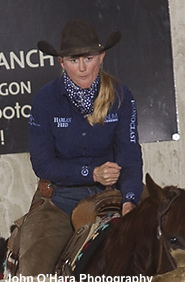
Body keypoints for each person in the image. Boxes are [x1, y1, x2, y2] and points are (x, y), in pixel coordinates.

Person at [29, 19, 143, 216]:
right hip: (62, 198)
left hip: (113, 193)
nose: (82, 68)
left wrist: (129, 200)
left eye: (88, 59)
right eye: (74, 61)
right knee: (36, 237)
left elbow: (129, 155)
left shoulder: (121, 95)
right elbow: (43, 164)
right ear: (62, 62)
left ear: (101, 57)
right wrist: (92, 173)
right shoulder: (45, 99)